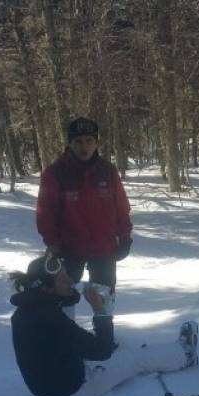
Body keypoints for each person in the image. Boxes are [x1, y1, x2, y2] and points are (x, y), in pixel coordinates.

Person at [9, 255, 198, 396]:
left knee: (116, 346)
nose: (70, 279)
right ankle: (186, 354)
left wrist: (78, 289)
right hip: (73, 390)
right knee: (133, 359)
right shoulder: (52, 320)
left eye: (67, 273)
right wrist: (99, 309)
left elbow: (61, 332)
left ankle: (161, 354)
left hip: (43, 388)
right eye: (62, 279)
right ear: (47, 289)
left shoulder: (26, 310)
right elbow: (102, 351)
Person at [36, 118, 133, 301]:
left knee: (104, 303)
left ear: (96, 142)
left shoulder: (108, 171)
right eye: (78, 141)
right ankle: (64, 330)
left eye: (89, 140)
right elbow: (45, 213)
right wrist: (53, 245)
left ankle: (104, 330)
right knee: (62, 303)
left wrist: (125, 239)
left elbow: (121, 208)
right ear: (70, 143)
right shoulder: (55, 173)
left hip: (104, 249)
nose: (84, 146)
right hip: (68, 250)